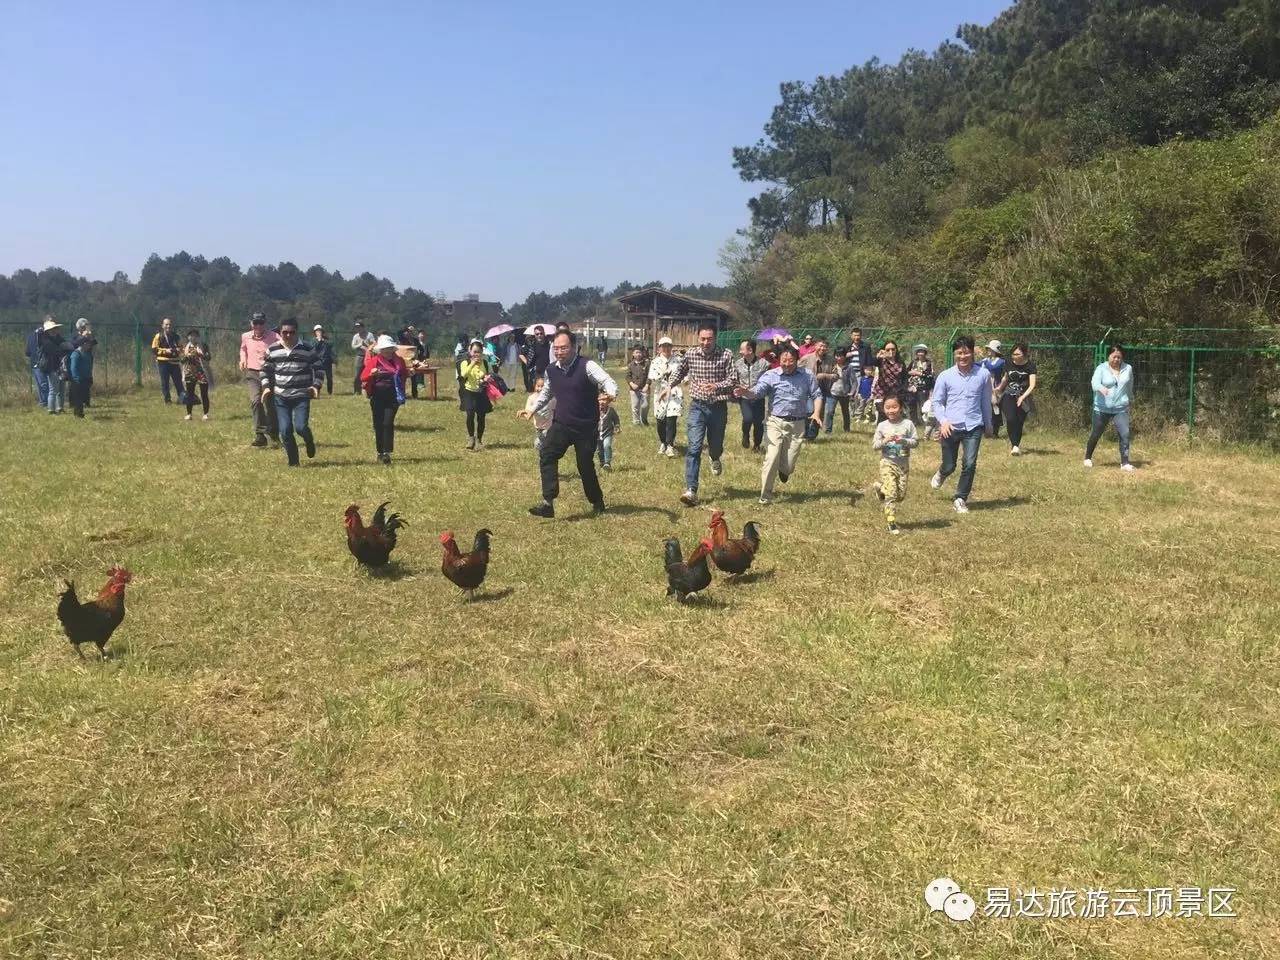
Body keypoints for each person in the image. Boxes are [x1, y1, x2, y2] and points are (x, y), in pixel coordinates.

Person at [527, 332, 617, 518]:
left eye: (564, 348)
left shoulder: (587, 365)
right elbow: (547, 392)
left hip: (586, 427)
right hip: (562, 424)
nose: (559, 352)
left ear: (573, 347)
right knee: (547, 453)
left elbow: (607, 381)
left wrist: (610, 393)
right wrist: (533, 409)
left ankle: (597, 502)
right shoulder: (551, 370)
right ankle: (548, 502)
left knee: (584, 465)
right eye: (556, 348)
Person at [734, 345, 822, 505]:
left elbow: (817, 394)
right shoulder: (771, 375)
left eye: (790, 361)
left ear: (797, 360)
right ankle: (765, 496)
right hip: (775, 422)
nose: (787, 364)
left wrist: (816, 413)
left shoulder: (807, 375)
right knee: (771, 457)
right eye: (784, 360)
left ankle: (784, 470)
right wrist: (746, 392)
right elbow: (758, 391)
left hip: (797, 424)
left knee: (788, 466)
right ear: (779, 360)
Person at [670, 324, 738, 507]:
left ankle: (715, 458)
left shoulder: (726, 355)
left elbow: (733, 379)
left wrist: (716, 385)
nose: (706, 342)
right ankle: (691, 490)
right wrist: (669, 385)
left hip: (718, 407)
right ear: (698, 338)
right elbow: (680, 371)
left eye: (709, 339)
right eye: (703, 339)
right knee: (694, 447)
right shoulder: (691, 354)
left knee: (715, 446)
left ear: (715, 338)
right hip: (697, 407)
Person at [929, 335, 994, 514]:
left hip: (974, 426)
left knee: (970, 463)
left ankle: (960, 498)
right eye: (959, 353)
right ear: (954, 354)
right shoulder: (945, 376)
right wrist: (943, 422)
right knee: (950, 466)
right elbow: (937, 402)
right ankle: (942, 472)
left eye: (966, 353)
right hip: (950, 426)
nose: (963, 357)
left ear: (972, 353)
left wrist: (988, 424)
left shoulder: (983, 375)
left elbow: (985, 401)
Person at [261, 319, 322, 467]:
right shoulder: (273, 349)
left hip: (301, 395)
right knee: (285, 430)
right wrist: (266, 387)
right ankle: (294, 462)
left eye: (291, 332)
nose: (288, 335)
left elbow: (319, 368)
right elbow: (265, 370)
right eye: (285, 332)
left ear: (297, 332)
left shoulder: (307, 348)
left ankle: (309, 440)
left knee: (300, 427)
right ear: (280, 333)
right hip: (281, 397)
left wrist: (315, 386)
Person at [361, 334, 412, 464]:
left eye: (389, 348)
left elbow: (404, 373)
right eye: (385, 349)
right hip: (377, 396)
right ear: (380, 350)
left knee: (387, 423)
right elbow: (363, 377)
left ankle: (387, 452)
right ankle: (380, 451)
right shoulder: (375, 360)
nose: (388, 351)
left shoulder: (399, 360)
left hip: (393, 396)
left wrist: (410, 373)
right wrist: (371, 373)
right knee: (378, 424)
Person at [872, 396, 919, 535]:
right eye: (887, 407)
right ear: (883, 409)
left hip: (903, 465)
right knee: (892, 494)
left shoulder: (908, 424)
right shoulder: (882, 426)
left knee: (900, 496)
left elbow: (915, 442)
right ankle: (891, 522)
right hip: (887, 463)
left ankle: (880, 488)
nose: (891, 410)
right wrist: (885, 441)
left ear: (901, 407)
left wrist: (904, 441)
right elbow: (875, 445)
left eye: (894, 407)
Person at [1085, 345, 1135, 471]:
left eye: (1119, 357)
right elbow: (1094, 383)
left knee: (1125, 434)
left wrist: (1130, 399)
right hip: (1102, 408)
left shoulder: (1128, 368)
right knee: (1096, 434)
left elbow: (1129, 385)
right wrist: (1101, 388)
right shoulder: (1101, 368)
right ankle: (1087, 458)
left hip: (1121, 408)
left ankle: (1125, 463)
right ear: (1109, 356)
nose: (1117, 359)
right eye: (1114, 357)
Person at [239, 312, 281, 447]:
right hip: (253, 373)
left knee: (270, 404)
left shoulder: (274, 336)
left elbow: (283, 347)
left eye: (260, 323)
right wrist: (242, 359)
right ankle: (260, 434)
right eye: (255, 323)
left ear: (265, 323)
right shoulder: (245, 336)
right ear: (251, 323)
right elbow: (243, 349)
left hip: (269, 373)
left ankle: (274, 434)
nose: (258, 326)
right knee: (256, 401)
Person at [996, 343, 1037, 455]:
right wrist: (999, 388)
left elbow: (1032, 385)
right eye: (1013, 354)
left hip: (1024, 396)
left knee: (1019, 421)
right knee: (1010, 419)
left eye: (1017, 354)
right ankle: (1014, 444)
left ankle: (1016, 446)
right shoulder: (1008, 363)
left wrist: (1023, 397)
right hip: (1009, 394)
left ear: (1024, 354)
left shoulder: (1030, 366)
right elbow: (1005, 378)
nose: (1014, 356)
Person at [648, 336, 682, 458]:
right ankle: (663, 442)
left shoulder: (678, 360)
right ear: (660, 348)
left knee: (671, 420)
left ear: (672, 347)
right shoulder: (655, 362)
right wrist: (665, 373)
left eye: (668, 346)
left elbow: (683, 375)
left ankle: (670, 445)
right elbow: (653, 377)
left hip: (674, 393)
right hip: (660, 393)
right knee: (660, 420)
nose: (666, 348)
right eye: (664, 346)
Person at [458, 340, 496, 450]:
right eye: (474, 351)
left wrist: (487, 378)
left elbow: (490, 374)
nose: (476, 354)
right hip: (469, 392)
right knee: (470, 415)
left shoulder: (485, 363)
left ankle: (479, 439)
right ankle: (471, 438)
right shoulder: (464, 362)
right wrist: (473, 363)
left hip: (481, 392)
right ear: (470, 351)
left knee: (481, 417)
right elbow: (463, 374)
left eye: (479, 352)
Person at [734, 339, 769, 451]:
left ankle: (757, 445)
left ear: (750, 350)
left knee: (759, 422)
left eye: (742, 349)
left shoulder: (764, 364)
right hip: (744, 397)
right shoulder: (737, 364)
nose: (740, 352)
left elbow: (768, 380)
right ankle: (745, 435)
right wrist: (739, 386)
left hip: (758, 397)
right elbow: (734, 379)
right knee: (748, 419)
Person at [798, 338, 837, 439]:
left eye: (825, 346)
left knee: (820, 413)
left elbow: (836, 375)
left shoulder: (831, 360)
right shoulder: (806, 358)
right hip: (809, 390)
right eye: (820, 345)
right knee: (810, 411)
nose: (822, 348)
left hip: (824, 390)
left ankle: (812, 435)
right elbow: (797, 371)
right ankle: (805, 431)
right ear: (815, 346)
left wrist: (825, 375)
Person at [36, 318, 70, 415]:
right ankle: (51, 410)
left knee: (62, 389)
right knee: (53, 389)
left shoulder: (58, 338)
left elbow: (67, 346)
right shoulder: (45, 341)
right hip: (51, 367)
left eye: (55, 328)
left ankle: (60, 408)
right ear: (48, 331)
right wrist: (64, 349)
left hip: (60, 366)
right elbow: (56, 350)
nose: (55, 330)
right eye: (52, 329)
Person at [151, 317, 186, 405]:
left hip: (174, 361)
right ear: (162, 326)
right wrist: (165, 351)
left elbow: (182, 347)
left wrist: (178, 350)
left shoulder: (176, 336)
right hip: (163, 362)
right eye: (166, 324)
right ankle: (168, 400)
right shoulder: (158, 336)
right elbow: (154, 350)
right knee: (165, 382)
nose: (168, 326)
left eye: (170, 324)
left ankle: (182, 398)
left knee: (178, 381)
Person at [871, 340, 905, 424]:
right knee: (883, 413)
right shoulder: (881, 361)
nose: (891, 351)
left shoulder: (900, 363)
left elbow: (904, 377)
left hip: (895, 392)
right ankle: (880, 434)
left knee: (894, 415)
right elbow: (871, 362)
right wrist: (878, 357)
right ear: (884, 350)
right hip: (881, 391)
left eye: (893, 349)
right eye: (888, 349)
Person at [180, 329, 212, 421]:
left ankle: (206, 414)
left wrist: (201, 354)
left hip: (202, 372)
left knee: (204, 394)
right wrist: (187, 356)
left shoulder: (203, 346)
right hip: (189, 372)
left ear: (198, 337)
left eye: (195, 336)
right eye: (191, 335)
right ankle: (189, 414)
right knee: (189, 394)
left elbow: (209, 357)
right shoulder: (185, 347)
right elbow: (181, 360)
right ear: (188, 337)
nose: (193, 337)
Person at [519, 375, 554, 451]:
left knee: (548, 444)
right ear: (534, 386)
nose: (540, 389)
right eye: (538, 386)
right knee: (538, 445)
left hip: (550, 427)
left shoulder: (552, 399)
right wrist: (524, 413)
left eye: (543, 387)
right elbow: (528, 413)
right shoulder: (531, 398)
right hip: (538, 427)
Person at [904, 344, 935, 429]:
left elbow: (930, 375)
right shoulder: (913, 362)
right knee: (912, 405)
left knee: (923, 406)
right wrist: (911, 373)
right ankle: (914, 422)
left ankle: (925, 423)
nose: (920, 354)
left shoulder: (929, 363)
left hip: (923, 387)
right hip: (912, 387)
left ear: (925, 353)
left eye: (922, 352)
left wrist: (919, 373)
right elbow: (906, 372)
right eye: (918, 352)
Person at [981, 340, 1008, 438]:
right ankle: (985, 431)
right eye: (987, 348)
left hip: (996, 387)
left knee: (995, 408)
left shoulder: (1001, 362)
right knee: (984, 408)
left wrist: (985, 363)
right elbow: (975, 366)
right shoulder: (985, 360)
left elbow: (994, 367)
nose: (987, 350)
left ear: (994, 350)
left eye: (989, 348)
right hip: (984, 387)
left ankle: (995, 432)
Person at [26, 319, 51, 407]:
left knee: (41, 384)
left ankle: (44, 402)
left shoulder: (30, 336)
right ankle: (45, 402)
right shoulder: (46, 336)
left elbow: (27, 352)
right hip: (42, 363)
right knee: (43, 384)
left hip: (35, 363)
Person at [67, 337, 94, 418]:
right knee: (78, 398)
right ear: (84, 344)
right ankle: (79, 414)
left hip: (86, 378)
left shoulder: (87, 353)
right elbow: (73, 368)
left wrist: (89, 377)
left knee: (82, 397)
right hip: (78, 380)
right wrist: (77, 378)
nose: (90, 345)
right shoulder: (76, 354)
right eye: (89, 344)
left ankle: (79, 413)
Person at [827, 350, 853, 433]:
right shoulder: (831, 366)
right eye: (837, 356)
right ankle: (828, 430)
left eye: (841, 356)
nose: (839, 358)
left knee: (845, 412)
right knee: (830, 411)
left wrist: (852, 391)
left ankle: (847, 429)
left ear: (845, 357)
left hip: (844, 393)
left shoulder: (849, 367)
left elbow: (854, 381)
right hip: (832, 392)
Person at [626, 345, 650, 427]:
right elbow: (627, 376)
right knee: (635, 406)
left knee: (645, 406)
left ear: (642, 353)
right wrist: (632, 384)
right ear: (633, 354)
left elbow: (649, 376)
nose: (638, 354)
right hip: (634, 390)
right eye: (636, 352)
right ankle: (636, 422)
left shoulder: (646, 364)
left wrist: (647, 385)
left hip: (644, 389)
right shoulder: (630, 365)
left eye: (640, 352)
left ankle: (644, 419)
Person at [520, 327, 551, 391]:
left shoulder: (550, 344)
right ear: (534, 335)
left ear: (544, 333)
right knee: (537, 393)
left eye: (541, 333)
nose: (539, 335)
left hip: (549, 373)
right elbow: (528, 359)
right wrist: (528, 365)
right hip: (537, 374)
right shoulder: (532, 346)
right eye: (537, 334)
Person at [597, 392, 621, 471]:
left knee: (607, 446)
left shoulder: (611, 410)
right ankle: (602, 462)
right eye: (600, 400)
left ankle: (607, 462)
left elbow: (616, 419)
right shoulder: (594, 410)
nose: (602, 402)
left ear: (608, 401)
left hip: (608, 433)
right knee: (599, 450)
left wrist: (617, 426)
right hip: (597, 434)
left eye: (604, 400)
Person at [350, 322, 375, 395]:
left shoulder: (369, 335)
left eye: (359, 327)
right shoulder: (356, 336)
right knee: (357, 374)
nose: (358, 329)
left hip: (369, 356)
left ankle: (369, 390)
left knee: (369, 373)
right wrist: (360, 345)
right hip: (359, 356)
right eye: (357, 327)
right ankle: (357, 391)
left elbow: (374, 343)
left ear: (363, 327)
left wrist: (368, 347)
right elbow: (353, 346)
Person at [311, 324, 335, 395]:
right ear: (315, 332)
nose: (319, 332)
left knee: (329, 378)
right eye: (317, 331)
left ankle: (329, 392)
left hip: (327, 361)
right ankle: (317, 391)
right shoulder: (313, 340)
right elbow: (314, 348)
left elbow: (331, 345)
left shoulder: (326, 340)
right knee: (318, 378)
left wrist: (323, 340)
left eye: (320, 331)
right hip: (318, 362)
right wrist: (319, 341)